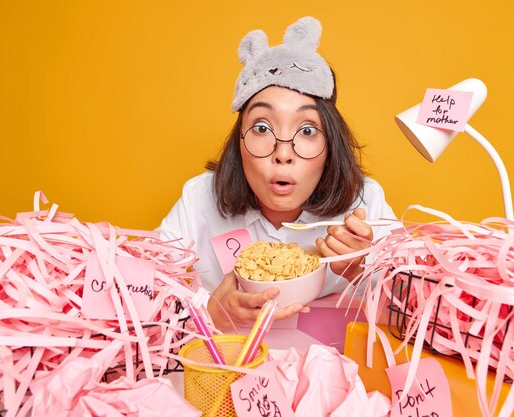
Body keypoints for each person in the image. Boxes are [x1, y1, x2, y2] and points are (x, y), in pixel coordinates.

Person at [156, 16, 396, 329]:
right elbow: (148, 298)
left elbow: (409, 308)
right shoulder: (199, 199)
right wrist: (208, 315)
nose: (283, 154)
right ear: (238, 142)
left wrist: (361, 271)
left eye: (308, 130)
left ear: (330, 145)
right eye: (261, 127)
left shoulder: (365, 203)